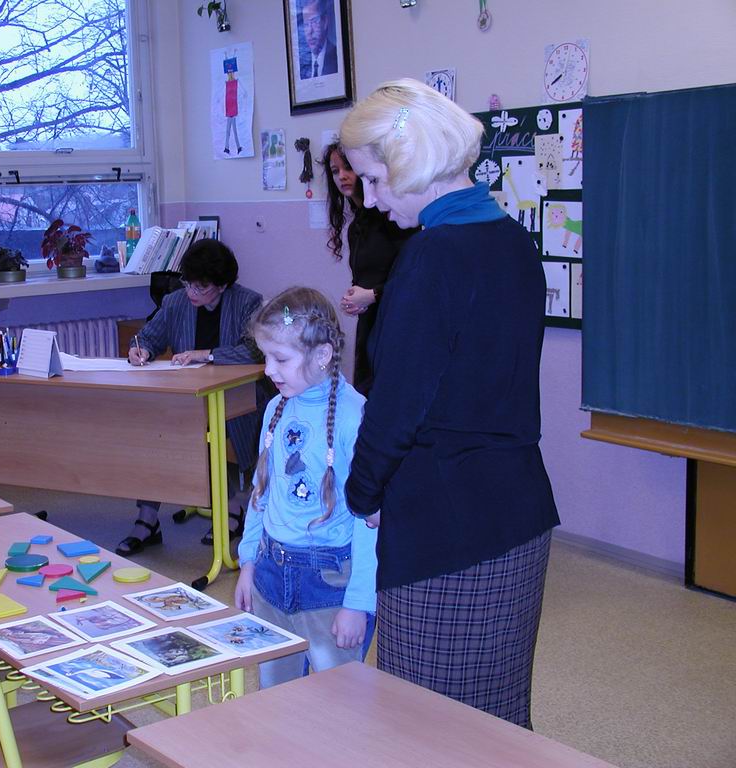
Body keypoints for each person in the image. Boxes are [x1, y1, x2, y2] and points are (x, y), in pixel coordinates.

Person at [339, 79, 560, 729]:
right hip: (515, 511)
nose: (371, 200)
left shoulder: (432, 257)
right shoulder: (511, 238)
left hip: (448, 527)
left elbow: (396, 404)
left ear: (413, 162)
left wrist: (360, 495)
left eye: (374, 179)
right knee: (496, 719)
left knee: (427, 726)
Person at [235, 287, 377, 688]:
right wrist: (248, 563)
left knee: (338, 700)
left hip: (329, 584)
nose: (268, 370)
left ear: (322, 355)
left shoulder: (355, 417)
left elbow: (370, 521)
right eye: (266, 357)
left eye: (280, 359)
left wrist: (358, 603)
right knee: (275, 696)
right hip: (270, 574)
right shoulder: (276, 408)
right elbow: (260, 493)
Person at [118, 239, 262, 556]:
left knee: (207, 431)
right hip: (188, 400)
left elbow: (255, 350)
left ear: (222, 285)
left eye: (202, 287)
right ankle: (147, 518)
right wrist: (140, 351)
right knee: (154, 431)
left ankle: (231, 506)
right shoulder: (175, 302)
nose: (192, 292)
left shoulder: (247, 303)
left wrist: (206, 355)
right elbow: (148, 338)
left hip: (236, 400)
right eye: (188, 283)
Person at [322, 141, 416, 394]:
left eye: (348, 168)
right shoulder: (356, 227)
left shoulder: (393, 218)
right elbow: (365, 278)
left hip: (399, 324)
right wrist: (356, 298)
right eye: (335, 171)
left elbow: (413, 279)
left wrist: (372, 295)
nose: (342, 176)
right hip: (370, 326)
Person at [298, 0, 337, 79]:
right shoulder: (300, 63)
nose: (310, 31)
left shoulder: (337, 57)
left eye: (314, 21)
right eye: (306, 24)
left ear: (325, 22)